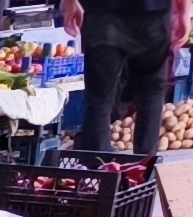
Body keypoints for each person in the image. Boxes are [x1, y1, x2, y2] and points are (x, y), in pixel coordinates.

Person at [64, 0, 181, 163]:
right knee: (151, 89)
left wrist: (70, 4)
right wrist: (184, 12)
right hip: (152, 14)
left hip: (103, 14)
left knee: (100, 96)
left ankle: (97, 172)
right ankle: (144, 170)